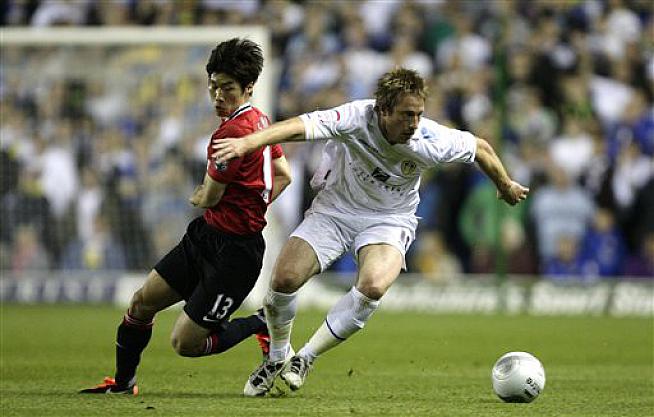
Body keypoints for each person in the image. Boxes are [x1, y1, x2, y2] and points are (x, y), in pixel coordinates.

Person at [212, 67, 529, 396]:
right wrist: (247, 142)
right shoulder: (355, 117)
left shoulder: (430, 139)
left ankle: (305, 358)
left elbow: (481, 148)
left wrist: (505, 185)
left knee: (374, 285)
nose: (414, 123)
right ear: (383, 110)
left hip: (389, 219)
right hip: (336, 209)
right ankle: (277, 356)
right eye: (406, 115)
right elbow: (298, 127)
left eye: (418, 114)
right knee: (284, 279)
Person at [80, 38, 292, 395]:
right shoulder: (261, 121)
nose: (218, 96)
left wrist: (201, 196)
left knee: (186, 343)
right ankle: (123, 383)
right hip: (206, 237)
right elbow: (283, 174)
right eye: (213, 86)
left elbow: (208, 197)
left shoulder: (231, 133)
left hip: (235, 256)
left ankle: (262, 323)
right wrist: (250, 205)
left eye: (227, 88)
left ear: (248, 88)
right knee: (141, 303)